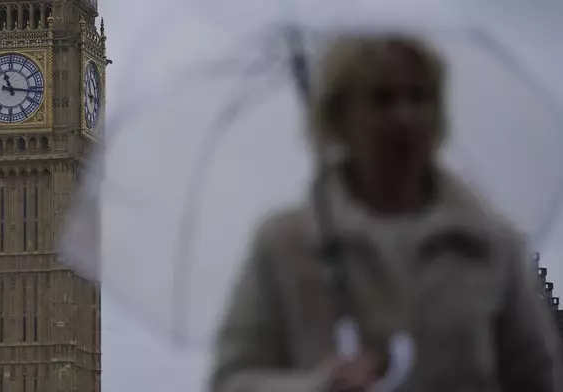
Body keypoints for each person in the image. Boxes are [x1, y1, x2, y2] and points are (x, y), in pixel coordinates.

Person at [208, 34, 562, 392]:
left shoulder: (492, 245)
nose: (404, 116)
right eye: (382, 99)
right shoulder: (285, 244)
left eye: (418, 97)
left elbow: (536, 379)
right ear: (339, 116)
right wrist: (313, 387)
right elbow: (230, 382)